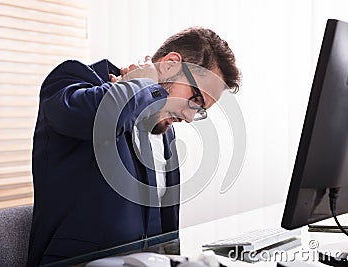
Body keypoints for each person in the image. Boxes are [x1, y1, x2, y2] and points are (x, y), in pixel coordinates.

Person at [27, 27, 242, 266]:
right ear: (171, 64)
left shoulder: (164, 131)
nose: (190, 118)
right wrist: (144, 83)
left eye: (200, 110)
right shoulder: (75, 80)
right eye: (195, 99)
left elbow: (162, 231)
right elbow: (101, 118)